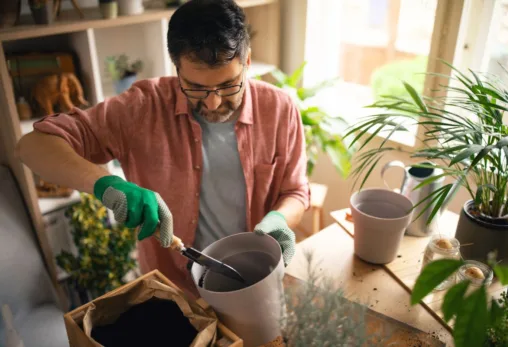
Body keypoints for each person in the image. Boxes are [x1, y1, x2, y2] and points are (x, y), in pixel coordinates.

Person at [16, 0, 310, 296]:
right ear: (177, 69)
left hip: (258, 281)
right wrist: (106, 184)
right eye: (195, 87)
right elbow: (32, 145)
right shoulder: (141, 107)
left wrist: (280, 219)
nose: (213, 103)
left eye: (228, 85)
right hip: (174, 290)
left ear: (247, 61)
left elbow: (295, 191)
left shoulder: (279, 109)